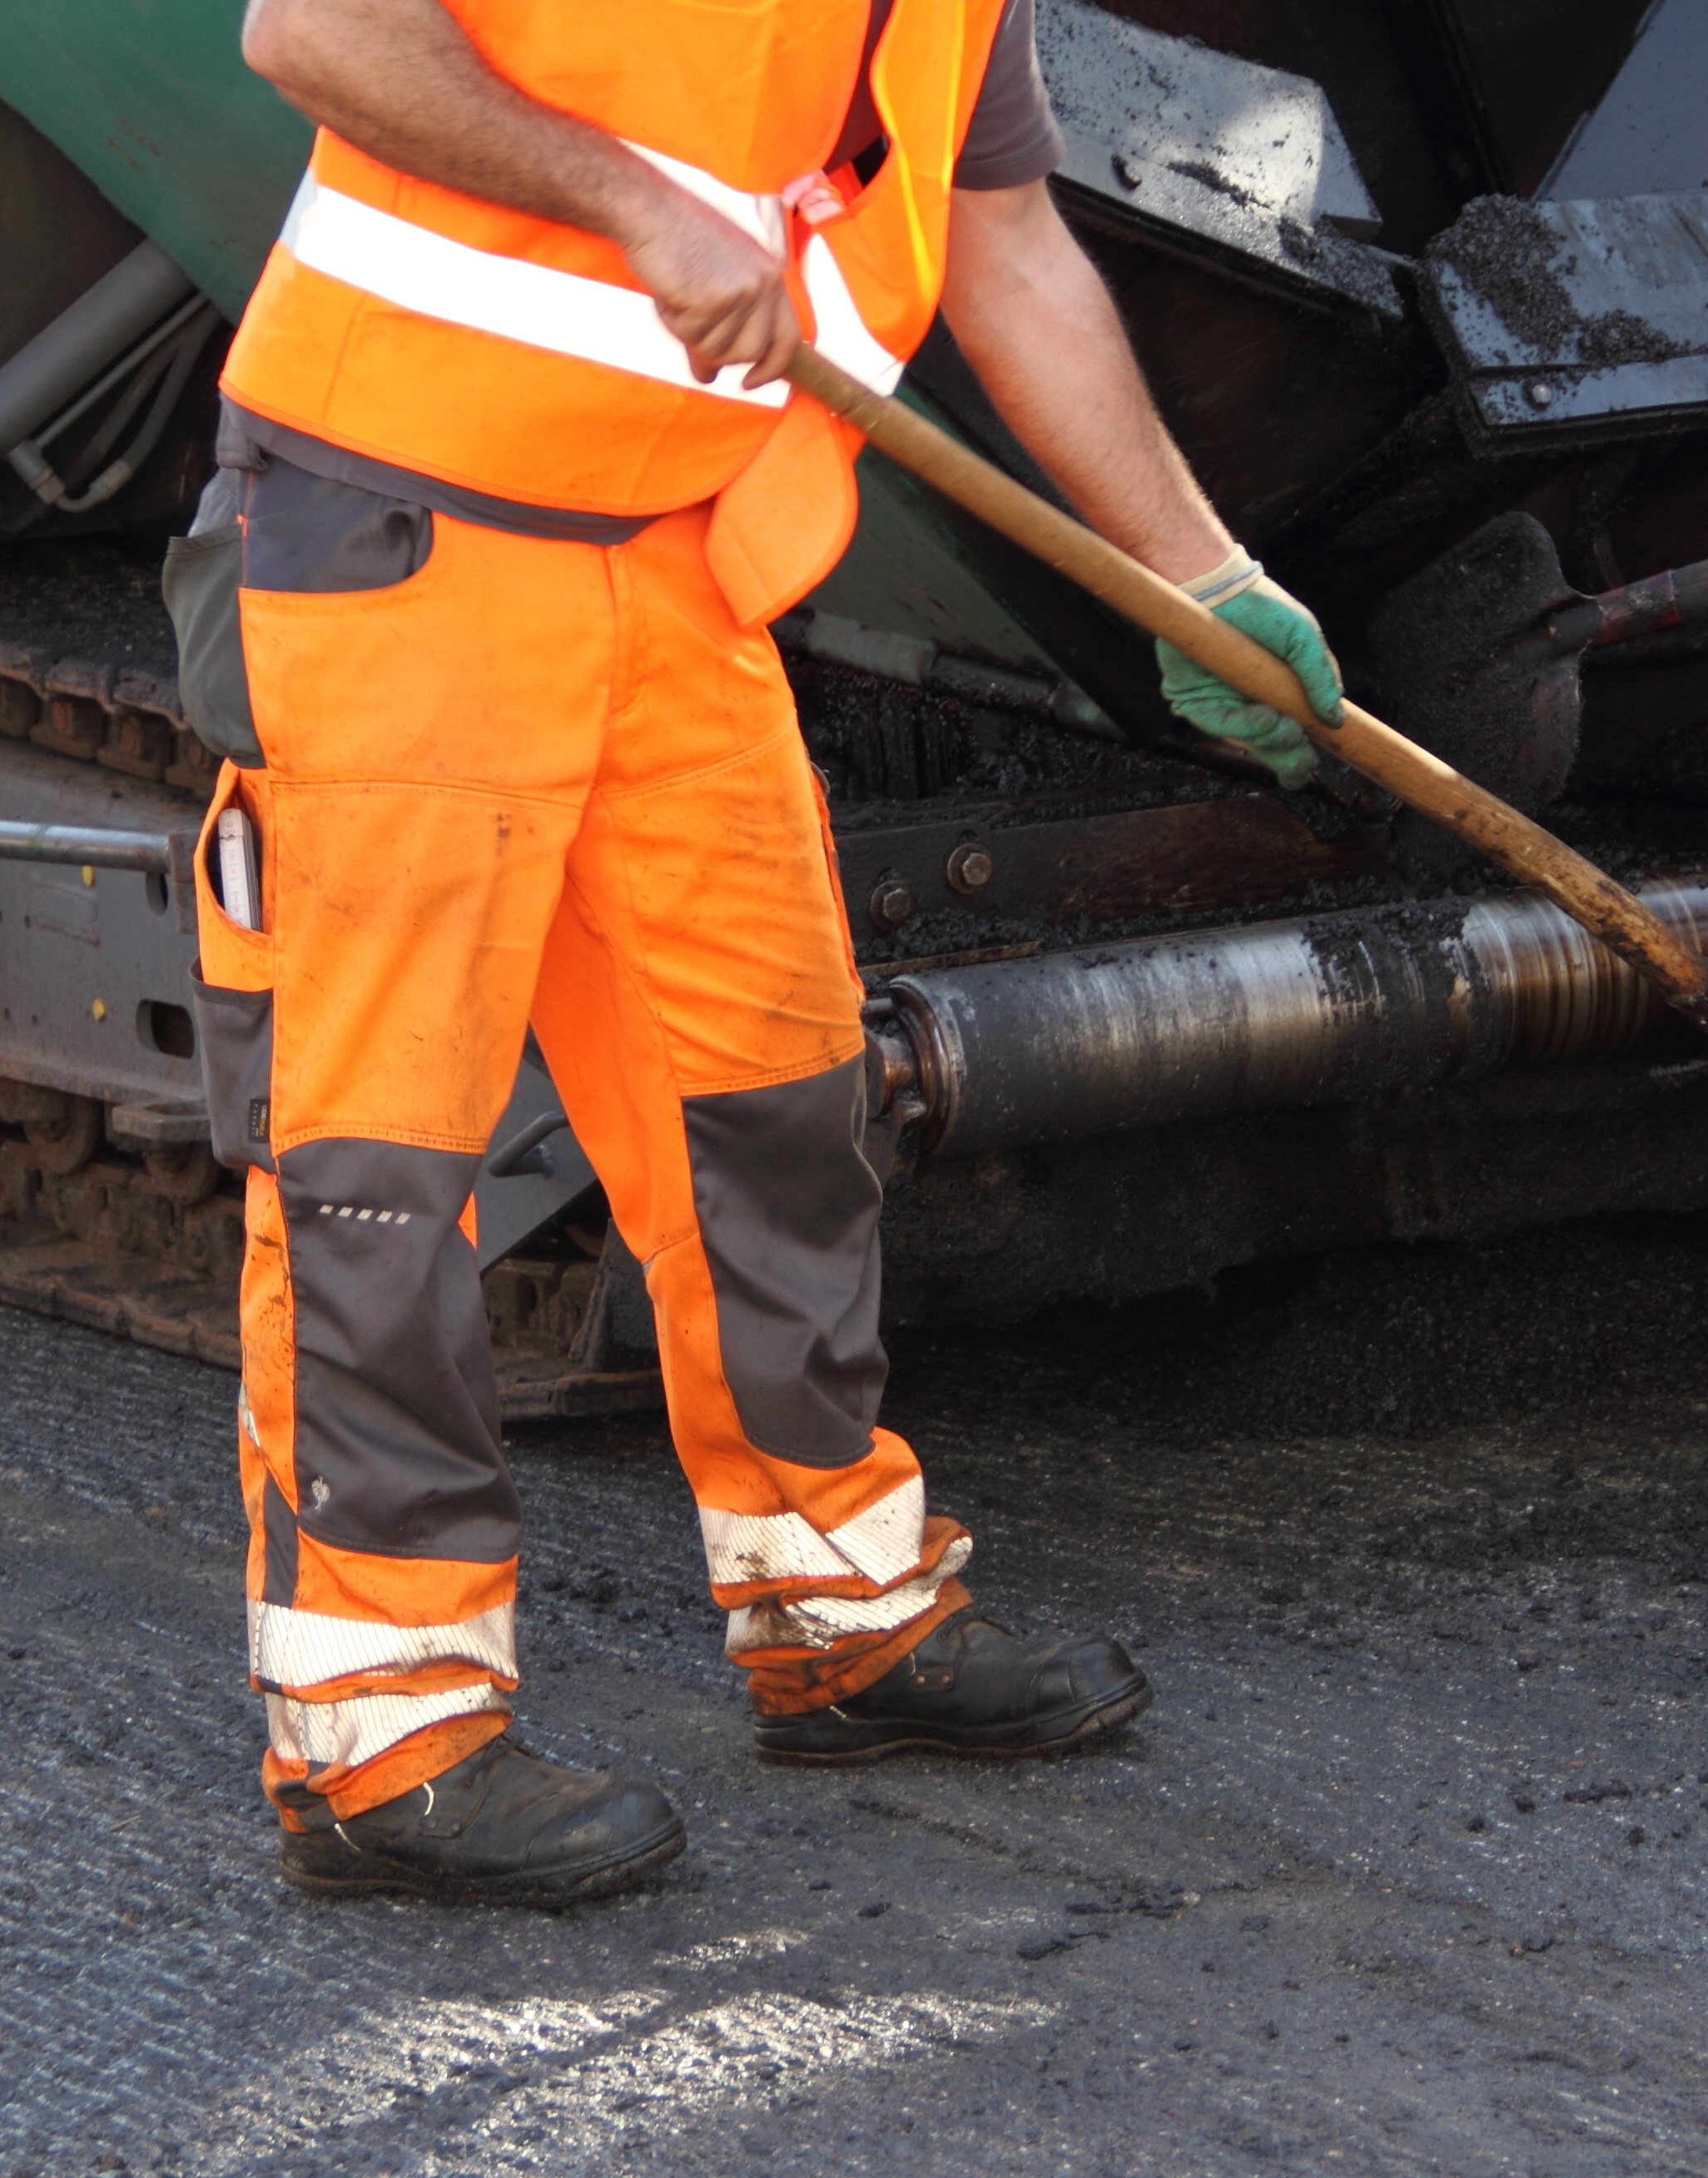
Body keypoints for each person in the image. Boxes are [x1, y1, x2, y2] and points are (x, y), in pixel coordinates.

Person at [204, 0, 1343, 1902]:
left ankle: (837, 1615)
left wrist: (1195, 573)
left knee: (773, 1109)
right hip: (399, 534)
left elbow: (1004, 243)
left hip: (672, 560)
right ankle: (384, 1735)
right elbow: (316, 31)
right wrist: (633, 205)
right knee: (378, 1172)